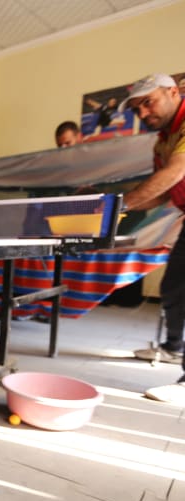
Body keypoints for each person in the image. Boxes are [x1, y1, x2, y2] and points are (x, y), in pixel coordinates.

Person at [115, 74, 185, 404]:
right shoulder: (162, 141)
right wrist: (113, 204)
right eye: (136, 108)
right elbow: (162, 192)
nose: (142, 113)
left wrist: (121, 205)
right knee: (174, 286)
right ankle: (174, 348)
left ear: (173, 92)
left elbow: (175, 172)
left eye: (148, 102)